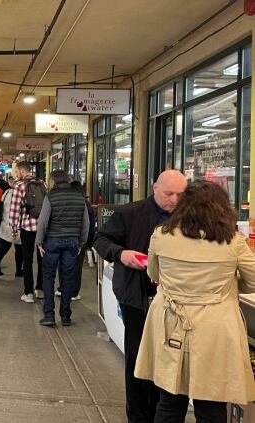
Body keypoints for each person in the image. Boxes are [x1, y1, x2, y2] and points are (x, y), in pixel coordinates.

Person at [135, 180, 255, 422]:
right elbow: (253, 281)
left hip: (170, 323)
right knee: (211, 405)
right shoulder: (233, 242)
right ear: (222, 208)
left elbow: (154, 275)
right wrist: (229, 285)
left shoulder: (161, 235)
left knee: (169, 401)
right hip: (215, 327)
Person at [93, 170, 187, 423]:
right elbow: (100, 240)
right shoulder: (129, 213)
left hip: (177, 303)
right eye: (169, 194)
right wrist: (120, 254)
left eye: (180, 194)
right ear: (155, 188)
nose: (174, 200)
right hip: (138, 296)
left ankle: (163, 413)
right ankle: (138, 415)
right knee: (138, 358)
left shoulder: (190, 217)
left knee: (171, 361)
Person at [35, 170, 89, 327]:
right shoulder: (79, 196)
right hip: (72, 242)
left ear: (53, 181)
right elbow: (85, 224)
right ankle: (66, 316)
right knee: (67, 278)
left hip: (52, 241)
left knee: (48, 277)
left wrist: (38, 242)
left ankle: (49, 315)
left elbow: (43, 222)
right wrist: (81, 243)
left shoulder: (51, 196)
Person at [9, 161, 46, 303]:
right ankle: (40, 289)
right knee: (42, 259)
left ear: (20, 171)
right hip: (42, 228)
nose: (16, 174)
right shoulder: (42, 183)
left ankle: (28, 293)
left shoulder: (19, 185)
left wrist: (13, 229)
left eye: (17, 172)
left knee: (27, 260)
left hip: (27, 228)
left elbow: (14, 209)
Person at [56, 181, 95, 301]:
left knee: (66, 265)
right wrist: (88, 242)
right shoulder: (86, 205)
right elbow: (91, 226)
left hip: (69, 238)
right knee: (75, 267)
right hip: (79, 240)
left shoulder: (69, 204)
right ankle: (71, 291)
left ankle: (68, 290)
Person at [0, 178, 22, 276]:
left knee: (2, 248)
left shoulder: (6, 192)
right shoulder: (20, 195)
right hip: (17, 225)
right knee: (19, 249)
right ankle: (18, 270)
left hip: (5, 224)